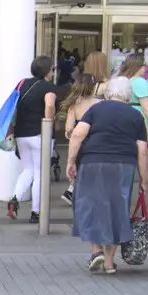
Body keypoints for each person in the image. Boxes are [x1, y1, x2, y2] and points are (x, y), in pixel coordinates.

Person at [66, 77, 148, 274]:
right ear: (128, 95)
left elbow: (77, 134)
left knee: (89, 204)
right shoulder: (136, 115)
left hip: (93, 162)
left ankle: (96, 252)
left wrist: (70, 160)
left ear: (109, 92)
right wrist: (144, 179)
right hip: (123, 165)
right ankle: (110, 262)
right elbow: (142, 150)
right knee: (117, 209)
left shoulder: (96, 109)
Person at [10, 57, 58, 223]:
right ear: (47, 70)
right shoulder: (48, 87)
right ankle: (36, 212)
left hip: (21, 133)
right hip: (40, 134)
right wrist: (49, 122)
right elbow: (50, 105)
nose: (53, 72)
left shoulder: (22, 83)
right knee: (40, 173)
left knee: (28, 169)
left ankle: (15, 198)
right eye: (52, 69)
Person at [59, 73, 101, 206]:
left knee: (78, 166)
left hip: (81, 143)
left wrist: (70, 134)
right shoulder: (100, 103)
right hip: (97, 141)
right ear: (93, 87)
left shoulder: (74, 105)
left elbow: (69, 129)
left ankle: (73, 189)